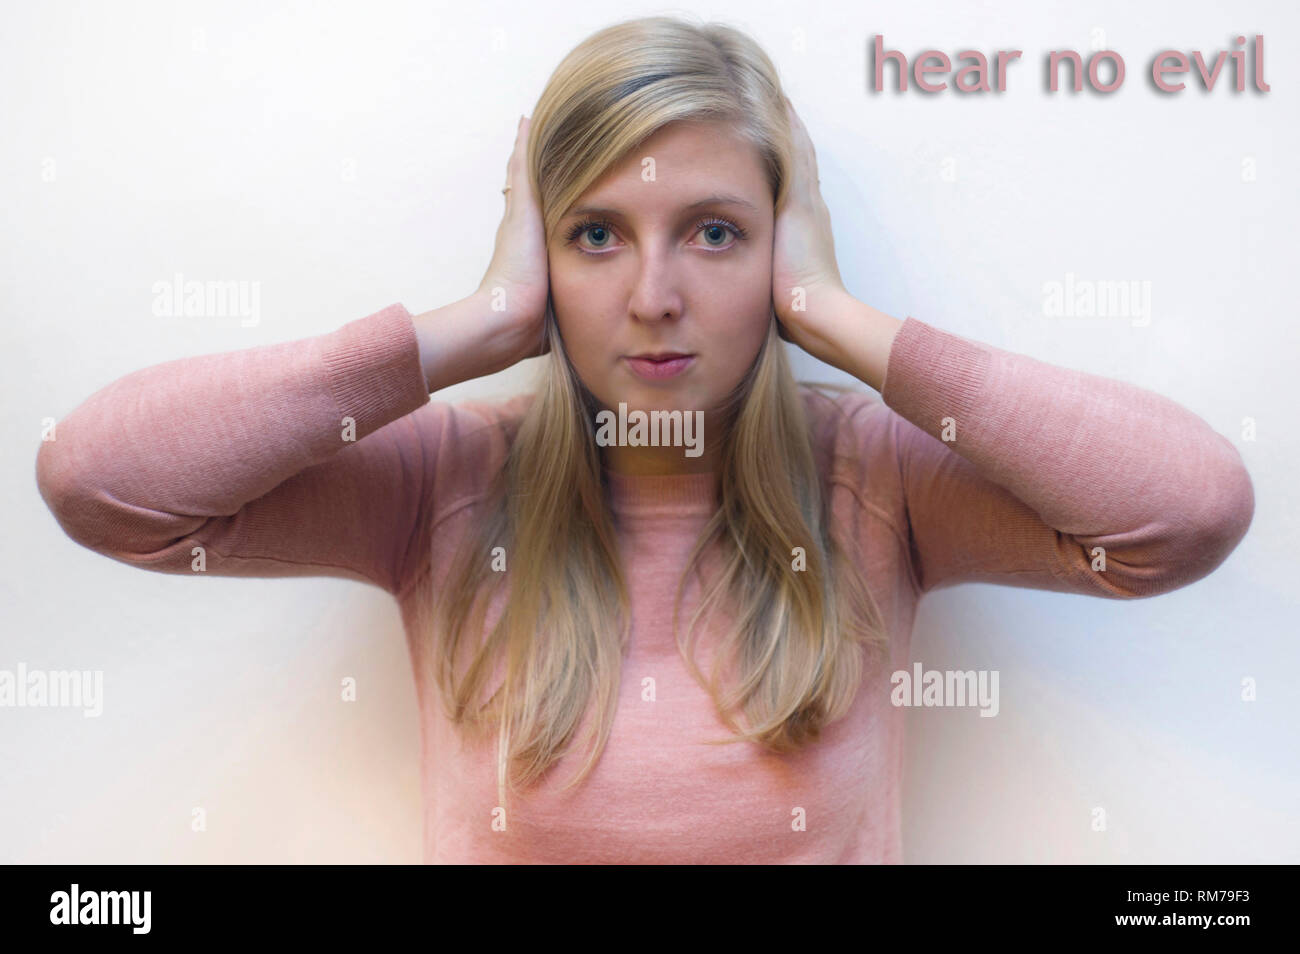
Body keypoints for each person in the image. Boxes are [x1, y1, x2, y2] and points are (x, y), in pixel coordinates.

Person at [35, 15, 1254, 864]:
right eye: (598, 235)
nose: (654, 294)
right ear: (541, 255)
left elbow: (1183, 511)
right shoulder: (443, 484)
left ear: (781, 243)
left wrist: (834, 318)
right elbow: (103, 484)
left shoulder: (877, 483)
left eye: (714, 233)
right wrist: (481, 325)